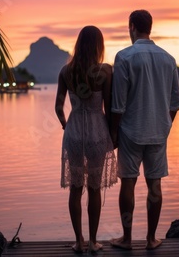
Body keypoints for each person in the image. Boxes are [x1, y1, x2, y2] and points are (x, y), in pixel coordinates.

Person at [109, 10, 179, 250]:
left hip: (130, 131)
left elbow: (117, 104)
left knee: (128, 183)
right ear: (150, 27)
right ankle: (151, 239)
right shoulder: (168, 59)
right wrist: (165, 125)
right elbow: (175, 102)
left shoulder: (124, 57)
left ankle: (127, 239)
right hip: (158, 133)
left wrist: (114, 134)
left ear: (131, 27)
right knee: (155, 185)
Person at [55, 25, 117, 253]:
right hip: (97, 131)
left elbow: (58, 107)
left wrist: (66, 126)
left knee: (75, 187)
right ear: (99, 45)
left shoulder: (65, 71)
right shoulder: (106, 71)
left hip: (74, 131)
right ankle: (93, 241)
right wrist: (113, 134)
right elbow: (109, 107)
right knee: (93, 188)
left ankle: (78, 242)